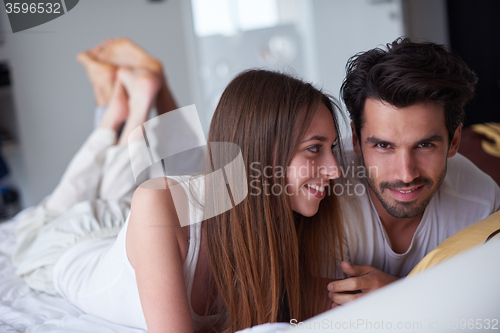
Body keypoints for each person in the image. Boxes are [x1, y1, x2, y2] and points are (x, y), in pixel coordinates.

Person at [13, 39, 346, 333]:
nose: (334, 171)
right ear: (265, 148)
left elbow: (319, 293)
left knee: (160, 176)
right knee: (48, 213)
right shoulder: (160, 203)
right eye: (314, 148)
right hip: (69, 242)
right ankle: (115, 114)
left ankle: (142, 92)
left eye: (331, 148)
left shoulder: (263, 214)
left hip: (132, 232)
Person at [327, 38, 500, 306]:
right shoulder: (323, 193)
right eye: (383, 145)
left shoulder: (481, 202)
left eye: (424, 145)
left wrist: (401, 294)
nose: (406, 174)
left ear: (454, 141)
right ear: (356, 139)